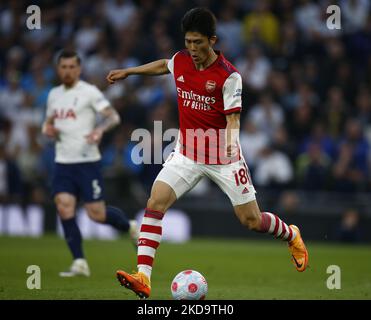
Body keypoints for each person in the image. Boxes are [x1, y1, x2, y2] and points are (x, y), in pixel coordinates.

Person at [106, 8, 308, 299]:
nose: (192, 49)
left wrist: (229, 142)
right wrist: (130, 71)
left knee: (251, 220)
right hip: (187, 153)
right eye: (188, 42)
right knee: (155, 201)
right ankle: (143, 277)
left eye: (198, 43)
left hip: (224, 158)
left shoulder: (229, 77)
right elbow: (165, 64)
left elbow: (234, 119)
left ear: (212, 40)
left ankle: (291, 234)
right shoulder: (182, 61)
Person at [42, 50, 138, 277]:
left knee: (96, 213)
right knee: (64, 207)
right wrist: (48, 130)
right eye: (63, 67)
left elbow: (113, 117)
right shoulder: (53, 95)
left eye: (71, 67)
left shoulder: (89, 92)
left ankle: (131, 227)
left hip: (87, 162)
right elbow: (47, 124)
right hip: (63, 162)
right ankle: (79, 262)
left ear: (79, 69)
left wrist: (99, 130)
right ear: (58, 69)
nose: (67, 71)